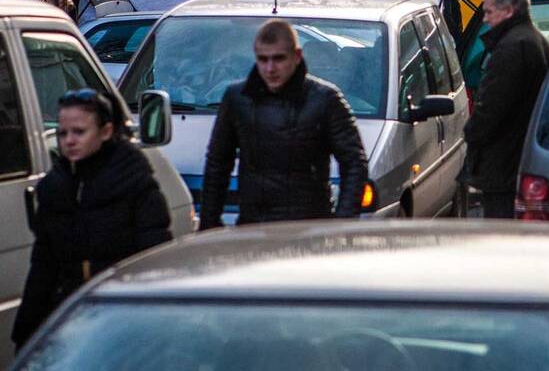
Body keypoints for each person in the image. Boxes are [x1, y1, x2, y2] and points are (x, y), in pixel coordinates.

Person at [12, 90, 172, 348]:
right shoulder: (56, 187)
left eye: (79, 132)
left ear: (105, 132)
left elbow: (153, 256)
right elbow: (44, 264)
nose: (69, 141)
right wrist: (26, 333)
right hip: (71, 311)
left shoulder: (134, 181)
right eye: (63, 133)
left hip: (120, 312)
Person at [199, 19, 368, 229]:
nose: (270, 68)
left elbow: (354, 163)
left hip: (308, 227)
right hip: (254, 226)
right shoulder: (237, 98)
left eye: (278, 59)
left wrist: (341, 225)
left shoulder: (325, 99)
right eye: (263, 59)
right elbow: (217, 163)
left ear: (296, 56)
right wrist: (209, 223)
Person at [462, 0, 549, 218]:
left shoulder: (511, 47)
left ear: (509, 11)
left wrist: (471, 132)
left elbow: (492, 106)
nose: (485, 19)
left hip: (505, 158)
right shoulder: (530, 39)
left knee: (501, 229)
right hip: (517, 152)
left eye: (489, 12)